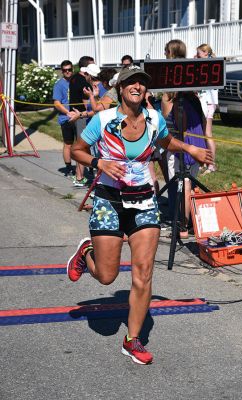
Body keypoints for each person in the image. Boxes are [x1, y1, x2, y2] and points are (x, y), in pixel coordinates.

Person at [67, 66, 213, 365]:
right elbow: (79, 150)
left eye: (142, 84)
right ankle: (88, 252)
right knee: (107, 277)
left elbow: (165, 142)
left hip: (144, 200)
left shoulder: (153, 118)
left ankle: (132, 339)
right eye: (131, 82)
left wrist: (191, 149)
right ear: (120, 88)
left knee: (143, 274)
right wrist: (100, 163)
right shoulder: (103, 120)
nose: (137, 86)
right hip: (109, 201)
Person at [162, 39, 207, 237]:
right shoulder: (193, 91)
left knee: (182, 182)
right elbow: (204, 119)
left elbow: (166, 118)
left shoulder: (169, 93)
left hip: (179, 142)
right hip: (197, 139)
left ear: (169, 53)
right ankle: (188, 222)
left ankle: (183, 224)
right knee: (191, 180)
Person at [69, 56, 95, 187]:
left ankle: (79, 174)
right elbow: (87, 104)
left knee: (80, 145)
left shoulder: (74, 78)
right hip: (81, 117)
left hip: (74, 115)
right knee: (82, 147)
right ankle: (79, 177)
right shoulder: (84, 82)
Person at [196, 43, 218, 174]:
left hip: (209, 103)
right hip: (203, 101)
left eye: (199, 54)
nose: (197, 57)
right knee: (202, 133)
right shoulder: (202, 65)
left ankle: (212, 164)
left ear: (205, 53)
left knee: (208, 134)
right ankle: (203, 162)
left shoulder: (210, 66)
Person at [53, 60, 77, 176]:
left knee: (83, 143)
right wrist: (68, 113)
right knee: (68, 143)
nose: (67, 72)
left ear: (73, 69)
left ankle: (84, 167)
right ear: (62, 71)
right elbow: (57, 103)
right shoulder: (59, 85)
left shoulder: (77, 81)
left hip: (79, 116)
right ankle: (68, 167)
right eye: (64, 70)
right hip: (66, 118)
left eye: (69, 69)